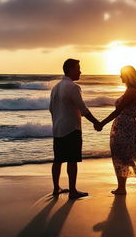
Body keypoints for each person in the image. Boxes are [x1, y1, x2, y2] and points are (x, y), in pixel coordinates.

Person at [95, 66, 136, 194]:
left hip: (124, 127)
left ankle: (122, 188)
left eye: (122, 74)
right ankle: (121, 187)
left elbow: (118, 111)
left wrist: (102, 123)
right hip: (124, 125)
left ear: (128, 76)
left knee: (121, 155)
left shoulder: (131, 91)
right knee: (121, 154)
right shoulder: (131, 90)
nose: (120, 77)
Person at [49, 58, 99, 199]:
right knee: (72, 160)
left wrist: (58, 120)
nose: (80, 71)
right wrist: (96, 122)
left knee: (58, 159)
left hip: (57, 128)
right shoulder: (73, 87)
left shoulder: (55, 87)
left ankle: (56, 188)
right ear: (70, 69)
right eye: (78, 68)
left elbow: (51, 109)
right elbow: (83, 109)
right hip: (71, 128)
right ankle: (72, 191)